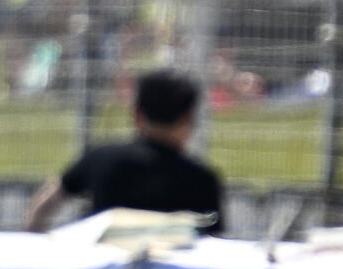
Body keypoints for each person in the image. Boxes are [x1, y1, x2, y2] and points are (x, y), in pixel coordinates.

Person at [25, 71, 225, 234]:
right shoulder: (202, 180)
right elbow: (212, 246)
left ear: (137, 114)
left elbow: (46, 202)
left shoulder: (100, 158)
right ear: (188, 119)